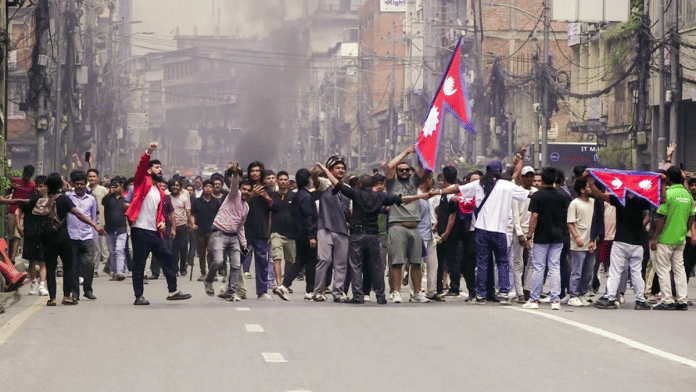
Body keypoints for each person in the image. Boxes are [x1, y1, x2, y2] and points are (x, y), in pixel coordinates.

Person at [317, 163, 431, 304]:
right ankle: (380, 296)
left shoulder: (356, 194)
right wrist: (421, 196)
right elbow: (401, 199)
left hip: (358, 234)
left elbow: (337, 184)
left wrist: (326, 170)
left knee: (356, 266)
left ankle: (358, 296)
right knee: (377, 267)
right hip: (374, 235)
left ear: (359, 184)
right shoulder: (380, 196)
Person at [1, 173, 104, 306]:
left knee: (50, 268)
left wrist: (4, 201)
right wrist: (94, 224)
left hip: (46, 239)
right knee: (68, 267)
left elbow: (21, 201)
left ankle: (52, 298)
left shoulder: (40, 200)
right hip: (64, 239)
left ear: (48, 185)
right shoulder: (64, 199)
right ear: (61, 185)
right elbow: (78, 214)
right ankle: (66, 296)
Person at [442, 148, 527, 305]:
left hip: (482, 230)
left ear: (487, 171)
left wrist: (437, 192)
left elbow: (457, 189)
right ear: (500, 171)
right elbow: (527, 193)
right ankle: (503, 294)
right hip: (500, 231)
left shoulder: (478, 184)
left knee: (482, 263)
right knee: (502, 262)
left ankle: (480, 295)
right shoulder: (507, 185)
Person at [125, 142, 191, 305]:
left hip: (154, 232)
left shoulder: (160, 192)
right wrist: (148, 152)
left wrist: (161, 222)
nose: (159, 170)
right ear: (149, 171)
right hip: (140, 230)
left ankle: (172, 291)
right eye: (156, 167)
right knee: (139, 264)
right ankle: (138, 296)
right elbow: (141, 166)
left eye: (161, 167)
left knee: (168, 258)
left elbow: (159, 212)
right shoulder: (142, 182)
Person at [584, 171, 651, 310]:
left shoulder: (620, 198)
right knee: (636, 273)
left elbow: (598, 195)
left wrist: (589, 179)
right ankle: (640, 300)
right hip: (637, 242)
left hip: (620, 241)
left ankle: (610, 298)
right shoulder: (642, 199)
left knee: (615, 271)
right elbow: (659, 198)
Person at [383, 146, 426, 303]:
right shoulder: (391, 184)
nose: (404, 172)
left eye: (407, 170)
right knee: (397, 262)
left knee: (416, 263)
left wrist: (421, 150)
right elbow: (389, 167)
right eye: (401, 170)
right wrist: (407, 152)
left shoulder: (414, 182)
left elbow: (422, 168)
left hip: (415, 228)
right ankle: (396, 291)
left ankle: (417, 293)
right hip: (397, 227)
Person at [203, 163, 250, 302]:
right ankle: (209, 279)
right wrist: (235, 174)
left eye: (249, 190)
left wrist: (244, 244)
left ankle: (231, 293)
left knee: (236, 266)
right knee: (218, 260)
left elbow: (240, 226)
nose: (246, 192)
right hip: (219, 233)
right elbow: (234, 184)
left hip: (234, 237)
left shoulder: (246, 207)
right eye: (244, 189)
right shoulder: (233, 195)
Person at [523, 167, 567, 310]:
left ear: (542, 179)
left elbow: (534, 216)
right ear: (555, 180)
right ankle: (555, 300)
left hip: (541, 236)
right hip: (558, 236)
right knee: (555, 267)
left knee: (538, 267)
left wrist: (529, 235)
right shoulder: (562, 195)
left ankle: (534, 300)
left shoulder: (537, 196)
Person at [651, 166, 695, 310]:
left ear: (669, 178)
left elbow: (661, 217)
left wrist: (655, 236)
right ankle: (682, 300)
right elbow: (692, 216)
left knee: (663, 269)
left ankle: (667, 300)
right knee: (679, 269)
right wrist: (686, 230)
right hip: (680, 238)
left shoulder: (668, 194)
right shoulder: (688, 195)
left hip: (665, 237)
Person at [309, 156, 351, 302]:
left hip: (342, 230)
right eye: (337, 168)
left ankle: (338, 293)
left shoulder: (347, 189)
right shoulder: (325, 184)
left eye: (342, 168)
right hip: (325, 228)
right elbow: (315, 179)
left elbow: (350, 210)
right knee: (324, 259)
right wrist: (315, 171)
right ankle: (318, 291)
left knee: (341, 264)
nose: (341, 170)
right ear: (331, 170)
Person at [276, 168, 318, 301]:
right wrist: (311, 236)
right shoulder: (306, 197)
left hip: (298, 234)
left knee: (301, 262)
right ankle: (304, 290)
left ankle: (289, 286)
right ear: (308, 181)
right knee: (309, 262)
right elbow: (307, 217)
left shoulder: (297, 195)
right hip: (306, 235)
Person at [240, 161, 275, 299]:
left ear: (262, 173)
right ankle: (231, 288)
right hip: (244, 230)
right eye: (252, 171)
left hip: (261, 229)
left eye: (257, 171)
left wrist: (266, 198)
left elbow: (274, 207)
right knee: (238, 260)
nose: (255, 173)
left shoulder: (267, 189)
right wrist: (252, 195)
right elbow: (239, 205)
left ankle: (262, 292)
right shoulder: (245, 188)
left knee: (262, 262)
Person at [66, 170, 100, 301]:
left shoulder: (91, 199)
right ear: (74, 184)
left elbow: (93, 217)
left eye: (82, 184)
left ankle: (88, 289)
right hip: (72, 236)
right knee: (74, 266)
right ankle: (75, 292)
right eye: (77, 184)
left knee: (89, 264)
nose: (79, 186)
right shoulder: (68, 197)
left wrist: (95, 232)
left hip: (87, 236)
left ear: (85, 184)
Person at [566, 178, 597, 307]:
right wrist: (576, 237)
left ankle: (582, 294)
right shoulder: (574, 203)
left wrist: (593, 240)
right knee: (576, 271)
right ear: (582, 190)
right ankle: (573, 295)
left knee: (588, 272)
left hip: (590, 243)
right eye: (588, 187)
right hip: (578, 243)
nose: (591, 189)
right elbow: (570, 223)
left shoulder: (594, 202)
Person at [16, 175, 48, 296]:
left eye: (41, 186)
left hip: (44, 235)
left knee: (43, 261)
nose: (39, 189)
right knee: (32, 261)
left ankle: (42, 284)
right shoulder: (30, 200)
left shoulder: (50, 201)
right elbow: (18, 210)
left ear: (46, 187)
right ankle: (34, 282)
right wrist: (19, 225)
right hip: (30, 234)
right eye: (37, 186)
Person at [269, 171, 296, 300]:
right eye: (281, 179)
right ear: (277, 181)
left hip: (292, 234)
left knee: (290, 260)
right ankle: (279, 284)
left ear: (289, 182)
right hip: (276, 233)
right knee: (277, 257)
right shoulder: (272, 196)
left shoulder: (294, 197)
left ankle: (286, 283)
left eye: (286, 179)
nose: (283, 181)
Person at [190, 180, 221, 281]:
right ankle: (203, 272)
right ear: (203, 188)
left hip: (213, 230)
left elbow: (220, 216)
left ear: (212, 189)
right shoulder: (197, 202)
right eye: (206, 186)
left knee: (211, 251)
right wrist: (193, 224)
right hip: (200, 230)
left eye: (210, 186)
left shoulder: (216, 202)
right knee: (201, 252)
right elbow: (192, 214)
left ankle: (212, 273)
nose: (208, 188)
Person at [514, 167, 536, 302]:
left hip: (532, 231)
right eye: (527, 176)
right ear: (521, 177)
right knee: (518, 263)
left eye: (531, 176)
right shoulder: (516, 192)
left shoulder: (536, 193)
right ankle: (519, 293)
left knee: (533, 262)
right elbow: (514, 214)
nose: (530, 179)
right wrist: (519, 234)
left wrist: (531, 234)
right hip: (519, 231)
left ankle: (528, 289)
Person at [7, 165, 35, 262]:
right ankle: (9, 255)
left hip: (23, 213)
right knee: (10, 235)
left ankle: (13, 257)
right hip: (12, 211)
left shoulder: (33, 186)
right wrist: (11, 187)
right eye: (26, 174)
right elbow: (6, 191)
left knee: (17, 235)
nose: (27, 177)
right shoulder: (15, 181)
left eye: (29, 175)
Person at [102, 178, 128, 281]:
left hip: (122, 228)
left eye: (117, 186)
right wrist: (109, 193)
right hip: (109, 229)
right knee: (112, 251)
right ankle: (114, 271)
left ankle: (120, 272)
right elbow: (103, 202)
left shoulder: (125, 199)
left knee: (119, 250)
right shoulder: (108, 199)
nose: (115, 188)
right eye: (113, 186)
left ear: (121, 186)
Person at [87, 168, 109, 276]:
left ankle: (95, 269)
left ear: (97, 178)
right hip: (86, 222)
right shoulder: (84, 189)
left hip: (100, 221)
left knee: (98, 246)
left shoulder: (103, 190)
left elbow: (109, 205)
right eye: (90, 176)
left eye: (93, 176)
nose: (91, 178)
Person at [168, 178, 191, 275]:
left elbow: (188, 211)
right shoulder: (166, 198)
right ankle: (175, 268)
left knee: (183, 248)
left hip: (182, 225)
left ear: (180, 187)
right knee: (173, 249)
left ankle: (183, 268)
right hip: (169, 226)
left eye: (177, 185)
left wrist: (190, 223)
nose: (175, 187)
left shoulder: (184, 198)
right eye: (173, 185)